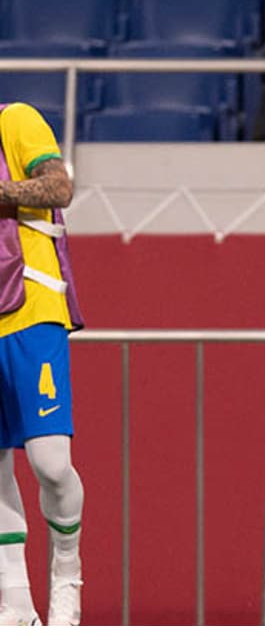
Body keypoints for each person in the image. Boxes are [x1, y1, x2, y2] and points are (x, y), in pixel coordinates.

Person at [0, 102, 86, 626]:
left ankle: (67, 575)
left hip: (31, 305)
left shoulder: (15, 119)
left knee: (51, 464)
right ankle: (14, 602)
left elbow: (59, 187)